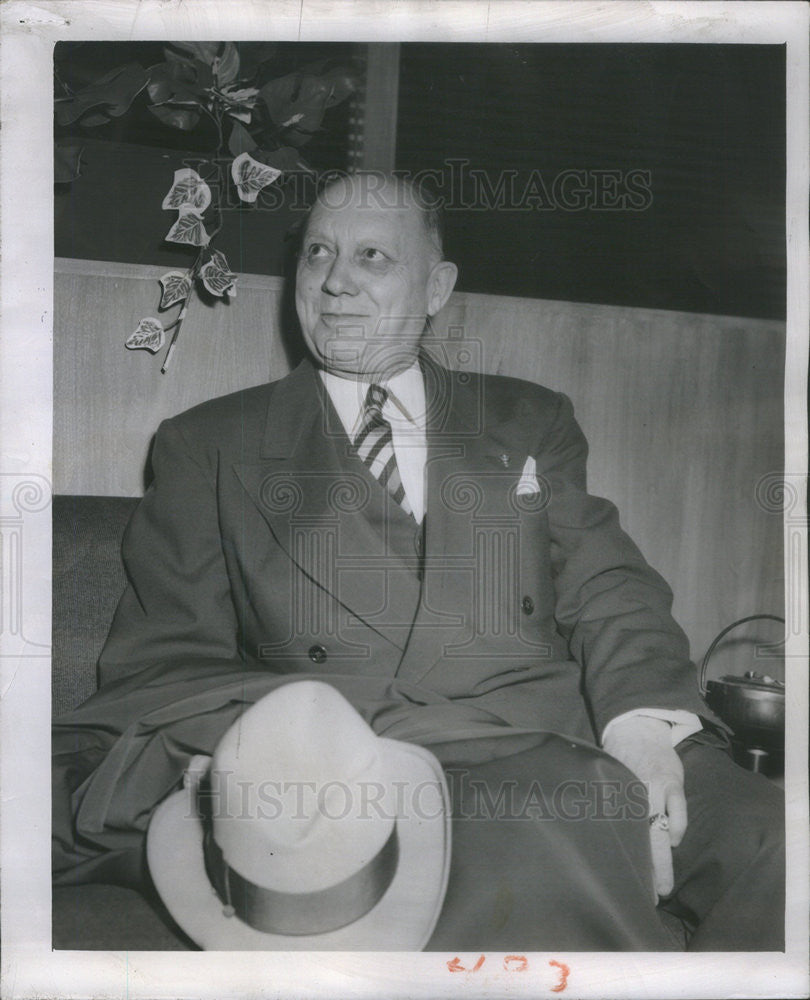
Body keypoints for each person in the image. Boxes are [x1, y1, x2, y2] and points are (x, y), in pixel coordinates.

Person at [53, 171, 783, 951]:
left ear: (437, 289)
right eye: (318, 254)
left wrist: (642, 726)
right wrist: (304, 748)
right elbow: (161, 667)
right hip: (396, 770)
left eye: (372, 256)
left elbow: (611, 588)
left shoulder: (529, 417)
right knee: (555, 841)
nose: (334, 281)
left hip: (580, 729)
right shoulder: (210, 445)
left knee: (774, 843)